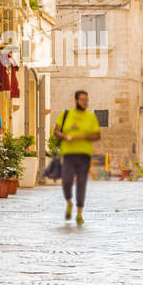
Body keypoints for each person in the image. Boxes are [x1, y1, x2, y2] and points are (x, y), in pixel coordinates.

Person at [51, 89, 100, 225]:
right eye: (83, 99)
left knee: (81, 183)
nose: (85, 102)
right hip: (68, 154)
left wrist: (83, 136)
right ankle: (69, 202)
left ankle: (79, 213)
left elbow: (97, 135)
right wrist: (65, 136)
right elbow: (56, 131)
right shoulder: (66, 114)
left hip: (84, 154)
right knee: (66, 181)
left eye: (87, 100)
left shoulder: (91, 117)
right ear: (76, 100)